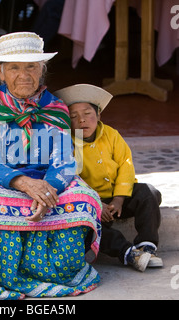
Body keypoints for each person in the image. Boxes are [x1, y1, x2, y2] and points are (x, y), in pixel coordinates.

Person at [0, 32, 102, 299]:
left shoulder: (55, 107)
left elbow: (64, 161)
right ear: (1, 73)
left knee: (84, 200)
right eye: (14, 67)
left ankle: (55, 273)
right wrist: (23, 183)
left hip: (45, 178)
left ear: (42, 71)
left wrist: (48, 189)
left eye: (31, 66)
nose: (24, 75)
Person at [55, 84, 163, 272]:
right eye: (73, 116)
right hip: (91, 203)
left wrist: (119, 198)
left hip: (117, 198)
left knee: (149, 193)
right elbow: (72, 178)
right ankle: (128, 252)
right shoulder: (67, 143)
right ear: (67, 121)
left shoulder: (111, 135)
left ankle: (147, 245)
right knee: (83, 225)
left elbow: (125, 165)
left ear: (98, 115)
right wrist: (96, 203)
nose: (81, 120)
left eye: (88, 113)